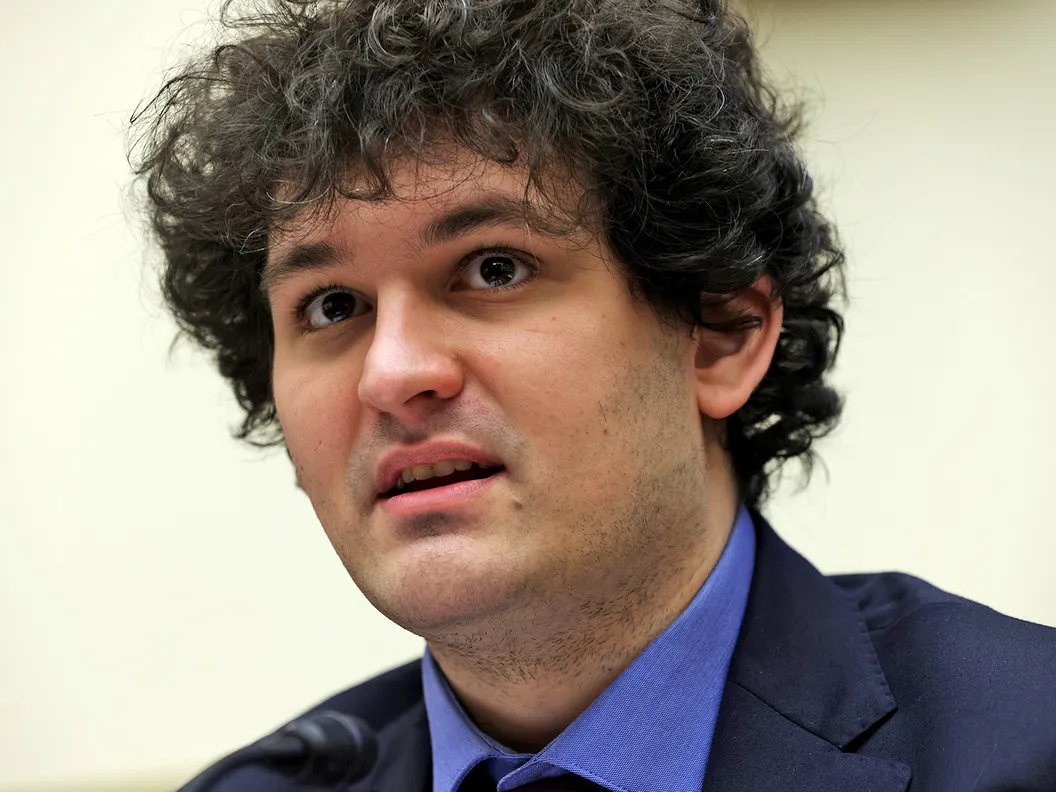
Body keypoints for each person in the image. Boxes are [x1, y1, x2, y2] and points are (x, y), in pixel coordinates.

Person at [129, 0, 1056, 790]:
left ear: (722, 335)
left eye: (494, 268)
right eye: (332, 306)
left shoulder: (1025, 741)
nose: (392, 373)